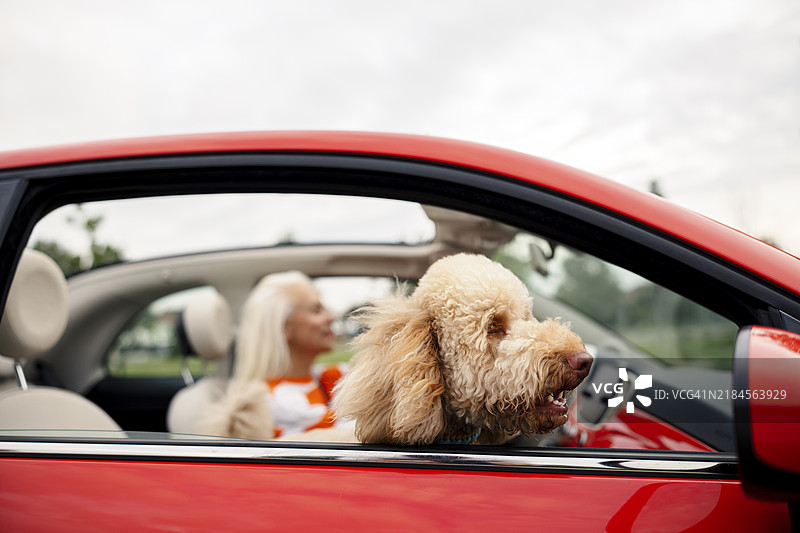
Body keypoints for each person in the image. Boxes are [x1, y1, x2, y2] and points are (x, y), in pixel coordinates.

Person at [203, 271, 346, 439]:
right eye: (316, 310)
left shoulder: (324, 376)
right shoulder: (271, 403)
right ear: (285, 328)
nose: (331, 317)